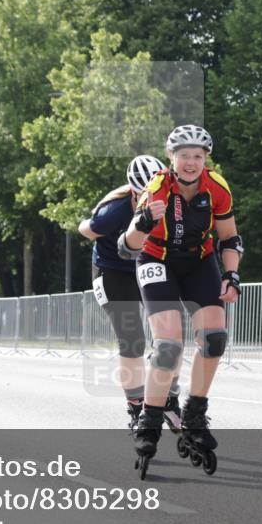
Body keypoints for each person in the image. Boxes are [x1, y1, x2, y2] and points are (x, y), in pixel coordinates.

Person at [118, 125, 243, 475]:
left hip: (198, 261)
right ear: (171, 158)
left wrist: (231, 275)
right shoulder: (157, 187)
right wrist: (142, 221)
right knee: (169, 346)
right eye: (184, 156)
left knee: (215, 339)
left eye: (198, 156)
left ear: (206, 159)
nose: (191, 162)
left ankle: (195, 412)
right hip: (156, 259)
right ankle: (150, 420)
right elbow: (126, 246)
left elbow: (229, 237)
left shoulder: (216, 187)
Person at [79, 155, 183, 433]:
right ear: (135, 192)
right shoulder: (114, 210)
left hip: (146, 266)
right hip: (112, 271)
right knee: (133, 340)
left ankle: (169, 399)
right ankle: (136, 407)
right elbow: (86, 230)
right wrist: (93, 223)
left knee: (169, 338)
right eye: (144, 195)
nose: (151, 198)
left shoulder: (173, 201)